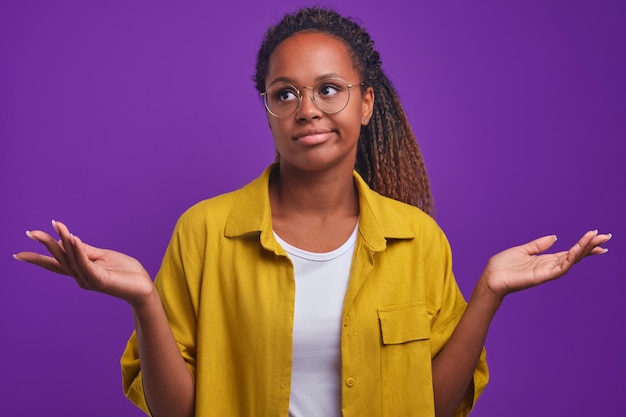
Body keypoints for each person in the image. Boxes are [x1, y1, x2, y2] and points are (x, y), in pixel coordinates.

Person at [13, 7, 611, 417]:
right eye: (285, 93)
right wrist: (144, 300)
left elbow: (430, 404)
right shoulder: (204, 232)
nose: (307, 109)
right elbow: (179, 412)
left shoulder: (419, 240)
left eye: (329, 88)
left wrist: (488, 292)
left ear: (366, 102)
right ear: (268, 109)